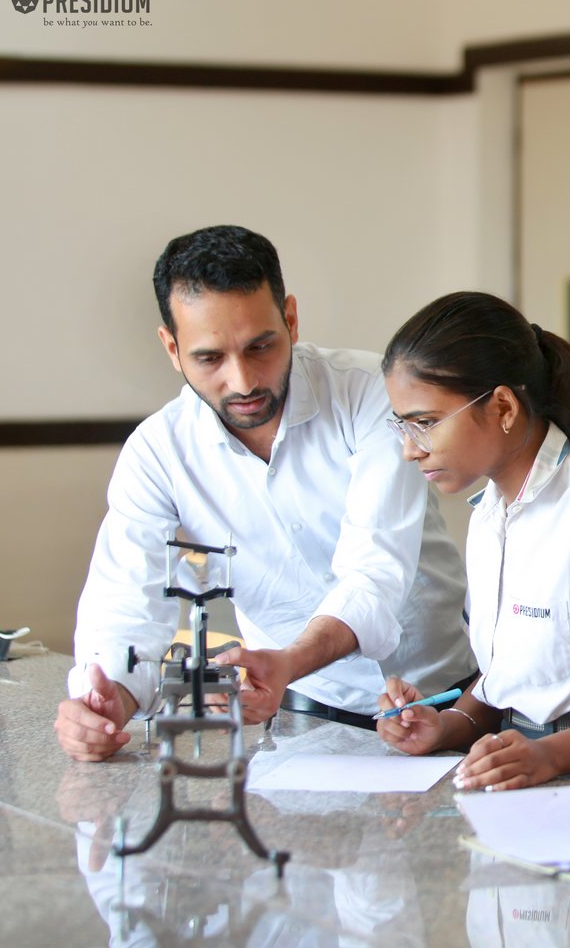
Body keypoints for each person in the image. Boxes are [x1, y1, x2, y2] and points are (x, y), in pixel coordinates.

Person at [56, 225, 476, 759]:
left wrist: (286, 661)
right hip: (304, 710)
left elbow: (374, 571)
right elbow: (125, 601)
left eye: (261, 346)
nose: (244, 381)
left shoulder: (373, 393)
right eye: (210, 358)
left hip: (447, 702)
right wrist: (107, 699)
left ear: (291, 319)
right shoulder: (158, 452)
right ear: (172, 347)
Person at [376, 292, 570, 789]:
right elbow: (509, 682)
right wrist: (447, 725)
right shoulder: (490, 515)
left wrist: (550, 757)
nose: (410, 450)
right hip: (523, 765)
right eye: (402, 426)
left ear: (502, 406)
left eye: (425, 424)